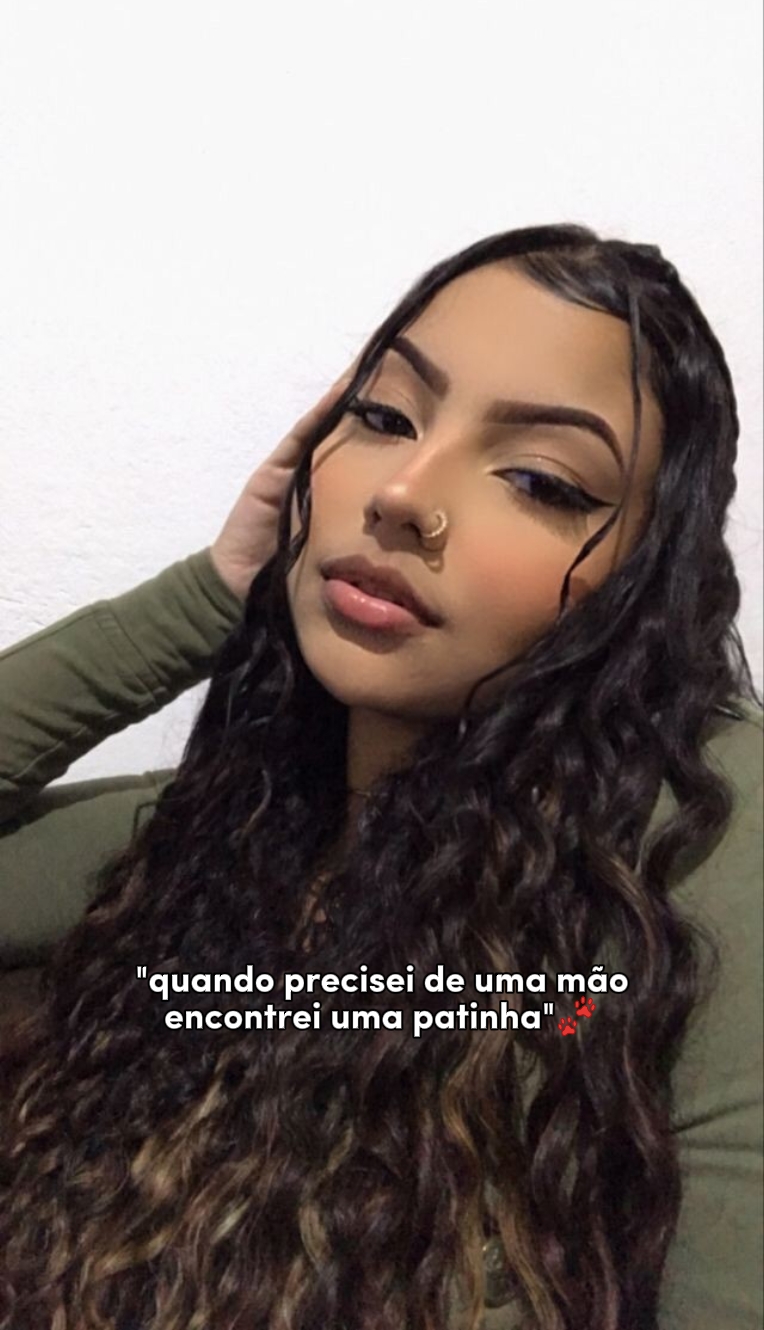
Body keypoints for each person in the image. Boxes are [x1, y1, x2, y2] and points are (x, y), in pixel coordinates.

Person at [0, 223, 761, 1330]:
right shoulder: (225, 835)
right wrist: (214, 591)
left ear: (641, 580)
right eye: (385, 416)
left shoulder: (694, 857)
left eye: (539, 479)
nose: (403, 491)